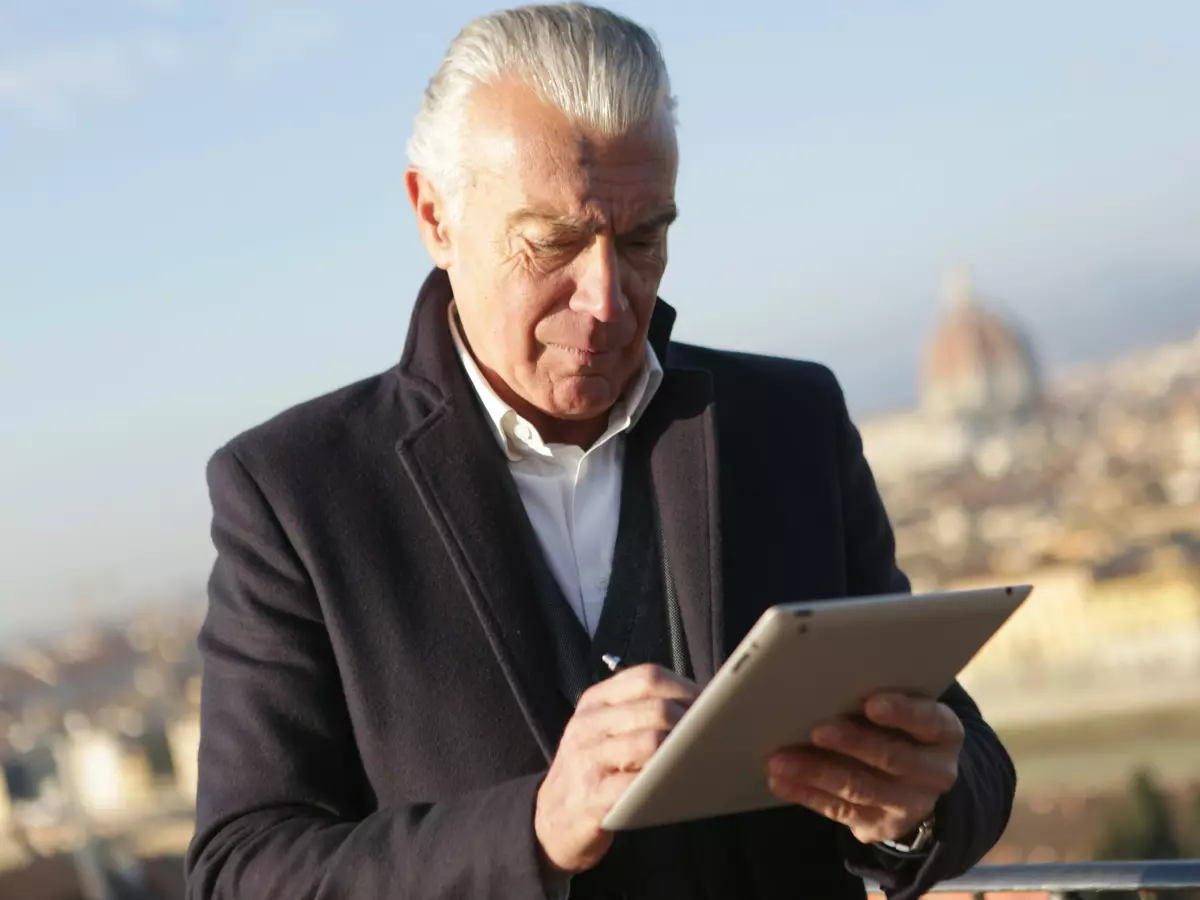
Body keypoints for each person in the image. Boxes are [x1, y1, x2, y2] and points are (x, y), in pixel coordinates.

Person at [184, 5, 1015, 899]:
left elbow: (969, 765)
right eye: (553, 242)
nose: (609, 298)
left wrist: (913, 808)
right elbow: (241, 874)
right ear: (434, 215)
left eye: (645, 238)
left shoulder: (790, 423)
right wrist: (536, 828)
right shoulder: (295, 496)